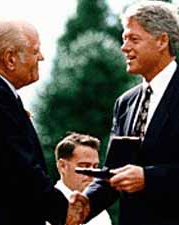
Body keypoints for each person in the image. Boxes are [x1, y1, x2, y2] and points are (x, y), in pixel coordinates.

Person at [0, 19, 87, 225]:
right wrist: (63, 211)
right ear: (10, 59)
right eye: (35, 51)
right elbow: (19, 170)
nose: (41, 57)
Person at [78, 1, 179, 225]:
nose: (124, 47)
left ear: (162, 41)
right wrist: (84, 204)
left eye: (134, 39)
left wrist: (149, 178)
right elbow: (113, 173)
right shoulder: (125, 103)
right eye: (124, 39)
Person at [53, 132, 112, 225]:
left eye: (95, 167)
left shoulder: (100, 212)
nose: (92, 173)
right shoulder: (48, 209)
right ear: (62, 166)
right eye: (85, 166)